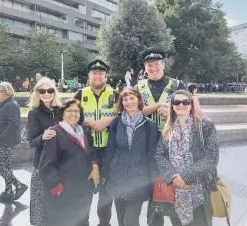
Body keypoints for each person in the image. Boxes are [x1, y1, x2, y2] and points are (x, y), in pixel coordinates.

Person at [154, 90, 219, 226]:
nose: (181, 105)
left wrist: (185, 177)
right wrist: (173, 176)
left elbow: (211, 157)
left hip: (199, 191)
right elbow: (159, 154)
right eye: (177, 102)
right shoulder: (168, 128)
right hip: (175, 192)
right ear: (172, 105)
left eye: (185, 102)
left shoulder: (205, 125)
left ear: (191, 105)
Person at [137, 47, 186, 226]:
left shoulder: (178, 85)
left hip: (173, 146)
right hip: (147, 147)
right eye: (149, 65)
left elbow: (190, 111)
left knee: (174, 189)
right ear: (145, 67)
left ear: (163, 65)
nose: (153, 68)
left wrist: (172, 111)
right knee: (153, 192)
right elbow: (132, 112)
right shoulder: (138, 87)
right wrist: (157, 105)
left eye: (156, 64)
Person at [39, 98, 100, 226]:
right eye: (69, 110)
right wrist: (58, 188)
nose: (73, 113)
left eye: (76, 111)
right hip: (64, 192)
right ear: (62, 113)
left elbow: (92, 152)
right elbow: (46, 165)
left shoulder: (85, 133)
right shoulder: (55, 133)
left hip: (83, 191)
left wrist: (95, 166)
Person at [102, 89, 159, 226]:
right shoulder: (116, 123)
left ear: (139, 100)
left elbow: (152, 154)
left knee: (131, 221)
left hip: (138, 179)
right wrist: (105, 172)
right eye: (125, 99)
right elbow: (110, 149)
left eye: (132, 98)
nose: (129, 102)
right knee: (121, 220)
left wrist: (154, 178)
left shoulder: (150, 125)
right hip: (117, 177)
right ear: (122, 103)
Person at [74, 59, 119, 226]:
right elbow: (69, 115)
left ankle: (104, 223)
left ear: (106, 75)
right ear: (89, 75)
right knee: (84, 188)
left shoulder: (115, 95)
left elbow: (126, 115)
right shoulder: (80, 94)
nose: (97, 75)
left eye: (101, 73)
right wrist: (91, 123)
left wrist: (107, 121)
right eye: (94, 73)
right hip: (86, 149)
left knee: (106, 191)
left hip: (109, 149)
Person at [27, 77, 62, 226]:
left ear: (55, 92)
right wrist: (42, 137)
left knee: (58, 205)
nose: (46, 94)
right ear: (37, 93)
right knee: (40, 208)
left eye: (50, 90)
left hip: (61, 165)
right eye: (42, 91)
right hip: (42, 165)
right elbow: (32, 142)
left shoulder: (62, 110)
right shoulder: (34, 113)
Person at [0, 82, 27, 202]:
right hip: (6, 141)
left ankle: (19, 185)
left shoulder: (10, 105)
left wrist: (2, 138)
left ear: (3, 92)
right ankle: (8, 191)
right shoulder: (7, 104)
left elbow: (14, 124)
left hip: (6, 142)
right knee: (6, 166)